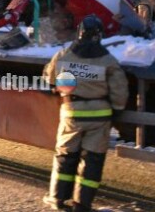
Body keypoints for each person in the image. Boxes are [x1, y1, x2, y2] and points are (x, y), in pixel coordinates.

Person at [42, 15, 129, 212]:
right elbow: (119, 89)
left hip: (72, 114)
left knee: (66, 156)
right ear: (99, 35)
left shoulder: (64, 54)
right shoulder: (108, 59)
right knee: (92, 161)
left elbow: (50, 78)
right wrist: (117, 108)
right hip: (100, 118)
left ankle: (58, 199)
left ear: (79, 32)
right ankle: (82, 204)